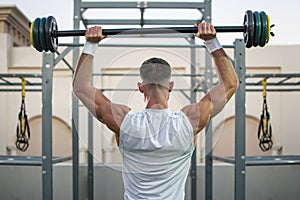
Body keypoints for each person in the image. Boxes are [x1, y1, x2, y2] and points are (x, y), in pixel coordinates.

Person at [73, 22, 238, 200]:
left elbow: (80, 87)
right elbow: (230, 84)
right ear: (171, 86)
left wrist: (91, 44)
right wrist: (211, 41)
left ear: (140, 87)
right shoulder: (189, 120)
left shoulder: (124, 121)